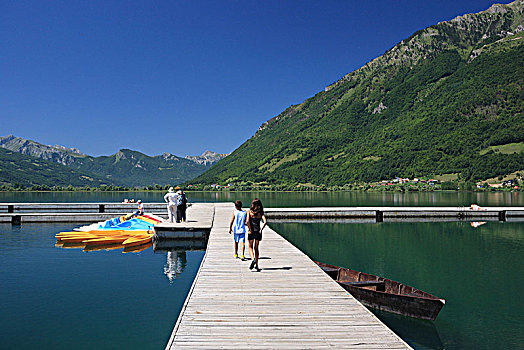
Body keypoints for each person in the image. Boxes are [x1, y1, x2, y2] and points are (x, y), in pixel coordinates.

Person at [247, 198, 267, 271]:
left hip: (251, 232)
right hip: (258, 232)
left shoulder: (250, 212)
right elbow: (265, 222)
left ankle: (253, 260)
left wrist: (250, 229)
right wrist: (261, 229)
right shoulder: (260, 213)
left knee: (250, 247)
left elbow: (247, 221)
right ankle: (257, 265)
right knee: (256, 248)